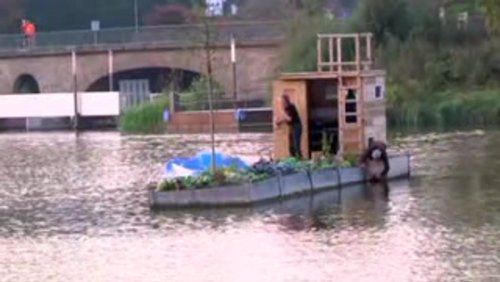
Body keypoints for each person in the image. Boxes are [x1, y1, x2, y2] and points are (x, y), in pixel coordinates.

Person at [275, 94, 303, 159]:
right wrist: (279, 122)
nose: (281, 103)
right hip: (291, 127)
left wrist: (282, 111)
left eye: (282, 101)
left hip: (297, 126)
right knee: (291, 145)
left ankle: (299, 159)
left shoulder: (291, 107)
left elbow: (289, 118)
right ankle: (293, 158)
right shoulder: (285, 108)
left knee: (296, 145)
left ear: (286, 101)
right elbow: (286, 119)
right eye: (281, 102)